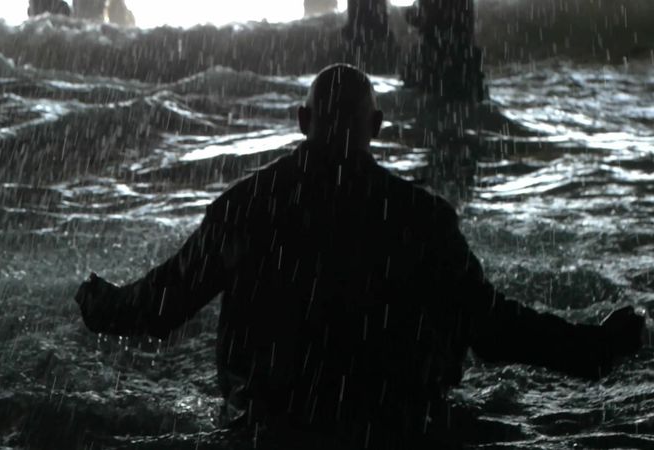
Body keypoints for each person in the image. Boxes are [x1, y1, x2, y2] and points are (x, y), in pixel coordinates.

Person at [75, 64, 644, 448]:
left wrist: (104, 306)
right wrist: (593, 349)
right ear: (375, 126)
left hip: (274, 427)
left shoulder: (248, 207)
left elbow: (163, 305)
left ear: (303, 122)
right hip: (395, 426)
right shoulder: (420, 218)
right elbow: (491, 328)